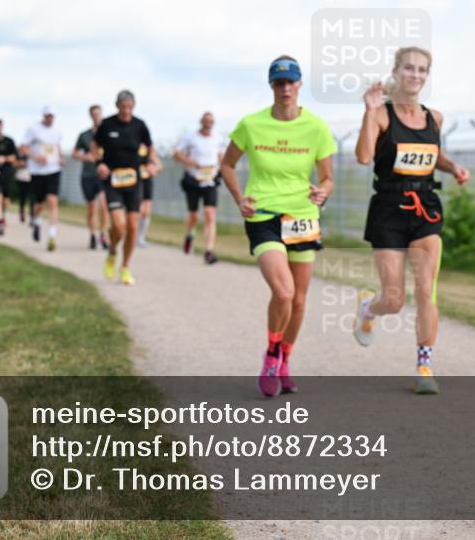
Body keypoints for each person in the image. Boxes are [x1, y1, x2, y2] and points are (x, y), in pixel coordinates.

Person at [352, 47, 469, 395]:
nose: (415, 75)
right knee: (393, 299)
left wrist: (453, 167)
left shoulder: (435, 117)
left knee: (426, 291)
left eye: (421, 70)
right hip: (388, 208)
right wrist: (369, 113)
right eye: (409, 68)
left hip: (425, 208)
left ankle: (425, 365)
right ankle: (368, 309)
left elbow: (434, 153)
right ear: (397, 71)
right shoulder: (382, 114)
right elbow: (363, 156)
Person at [220, 56, 335, 398]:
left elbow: (328, 178)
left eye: (291, 82)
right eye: (279, 83)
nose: (285, 89)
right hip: (263, 215)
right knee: (282, 292)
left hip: (302, 216)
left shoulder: (316, 127)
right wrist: (239, 196)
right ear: (271, 85)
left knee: (298, 301)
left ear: (300, 84)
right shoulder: (251, 125)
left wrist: (323, 191)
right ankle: (271, 355)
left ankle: (286, 360)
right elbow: (227, 165)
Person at [92, 90, 158, 285]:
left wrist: (152, 163)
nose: (126, 111)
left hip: (133, 181)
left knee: (132, 226)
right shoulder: (107, 125)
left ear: (134, 106)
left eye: (129, 107)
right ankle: (112, 252)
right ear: (117, 106)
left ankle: (125, 267)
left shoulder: (139, 125)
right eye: (123, 107)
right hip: (112, 180)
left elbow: (150, 146)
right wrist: (99, 163)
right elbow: (95, 147)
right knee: (118, 225)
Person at [173, 112, 226, 264]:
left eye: (211, 122)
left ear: (213, 123)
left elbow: (221, 156)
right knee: (194, 216)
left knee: (210, 214)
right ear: (201, 122)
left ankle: (209, 251)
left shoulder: (218, 138)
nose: (208, 124)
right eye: (206, 121)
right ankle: (190, 234)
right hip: (193, 180)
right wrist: (188, 161)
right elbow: (176, 153)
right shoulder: (190, 137)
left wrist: (221, 169)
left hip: (210, 180)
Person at [20, 107, 65, 251]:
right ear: (44, 116)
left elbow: (57, 148)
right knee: (39, 204)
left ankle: (52, 236)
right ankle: (37, 220)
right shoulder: (33, 129)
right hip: (38, 171)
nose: (50, 119)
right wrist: (36, 157)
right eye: (48, 116)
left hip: (53, 170)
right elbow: (23, 147)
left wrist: (60, 159)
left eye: (53, 116)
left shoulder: (57, 132)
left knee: (52, 201)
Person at [72, 104, 111, 250]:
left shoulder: (108, 133)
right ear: (90, 116)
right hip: (87, 175)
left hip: (102, 175)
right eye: (94, 114)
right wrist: (85, 156)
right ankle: (92, 234)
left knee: (104, 203)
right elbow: (74, 153)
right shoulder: (84, 135)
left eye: (98, 114)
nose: (96, 117)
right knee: (92, 208)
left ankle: (103, 234)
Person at [0, 119, 18, 236]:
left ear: (2, 127)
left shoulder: (9, 141)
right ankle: (0, 223)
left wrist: (4, 159)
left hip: (6, 173)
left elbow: (14, 158)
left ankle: (2, 216)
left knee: (5, 201)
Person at [136, 140, 163, 248]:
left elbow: (160, 166)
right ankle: (133, 234)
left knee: (147, 211)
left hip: (147, 181)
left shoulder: (150, 149)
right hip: (136, 181)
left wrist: (154, 169)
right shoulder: (132, 145)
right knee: (139, 209)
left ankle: (141, 237)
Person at [14, 148, 33, 224]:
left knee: (33, 198)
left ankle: (33, 216)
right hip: (22, 178)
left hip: (32, 178)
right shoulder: (20, 154)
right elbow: (15, 163)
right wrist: (22, 163)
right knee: (23, 197)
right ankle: (22, 212)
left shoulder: (33, 153)